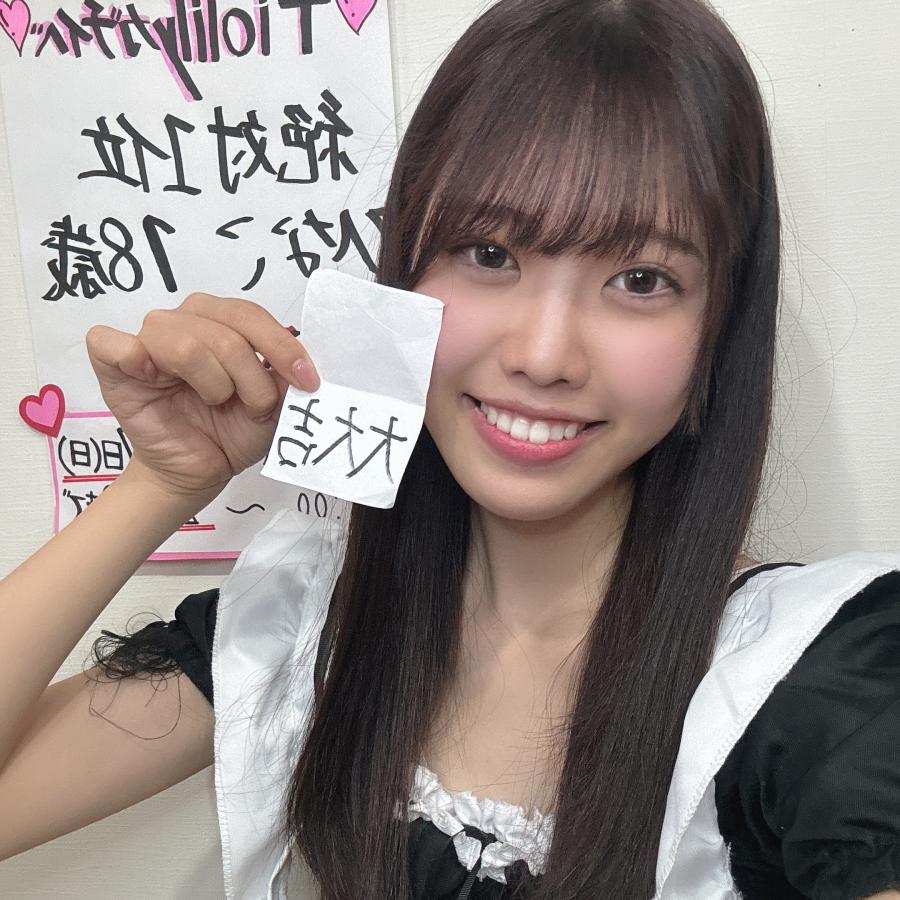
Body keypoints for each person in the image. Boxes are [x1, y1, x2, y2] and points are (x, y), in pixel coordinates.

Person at [0, 0, 898, 897]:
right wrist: (162, 483)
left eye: (641, 278)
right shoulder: (309, 620)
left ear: (720, 324)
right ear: (404, 266)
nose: (543, 355)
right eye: (489, 252)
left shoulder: (821, 683)